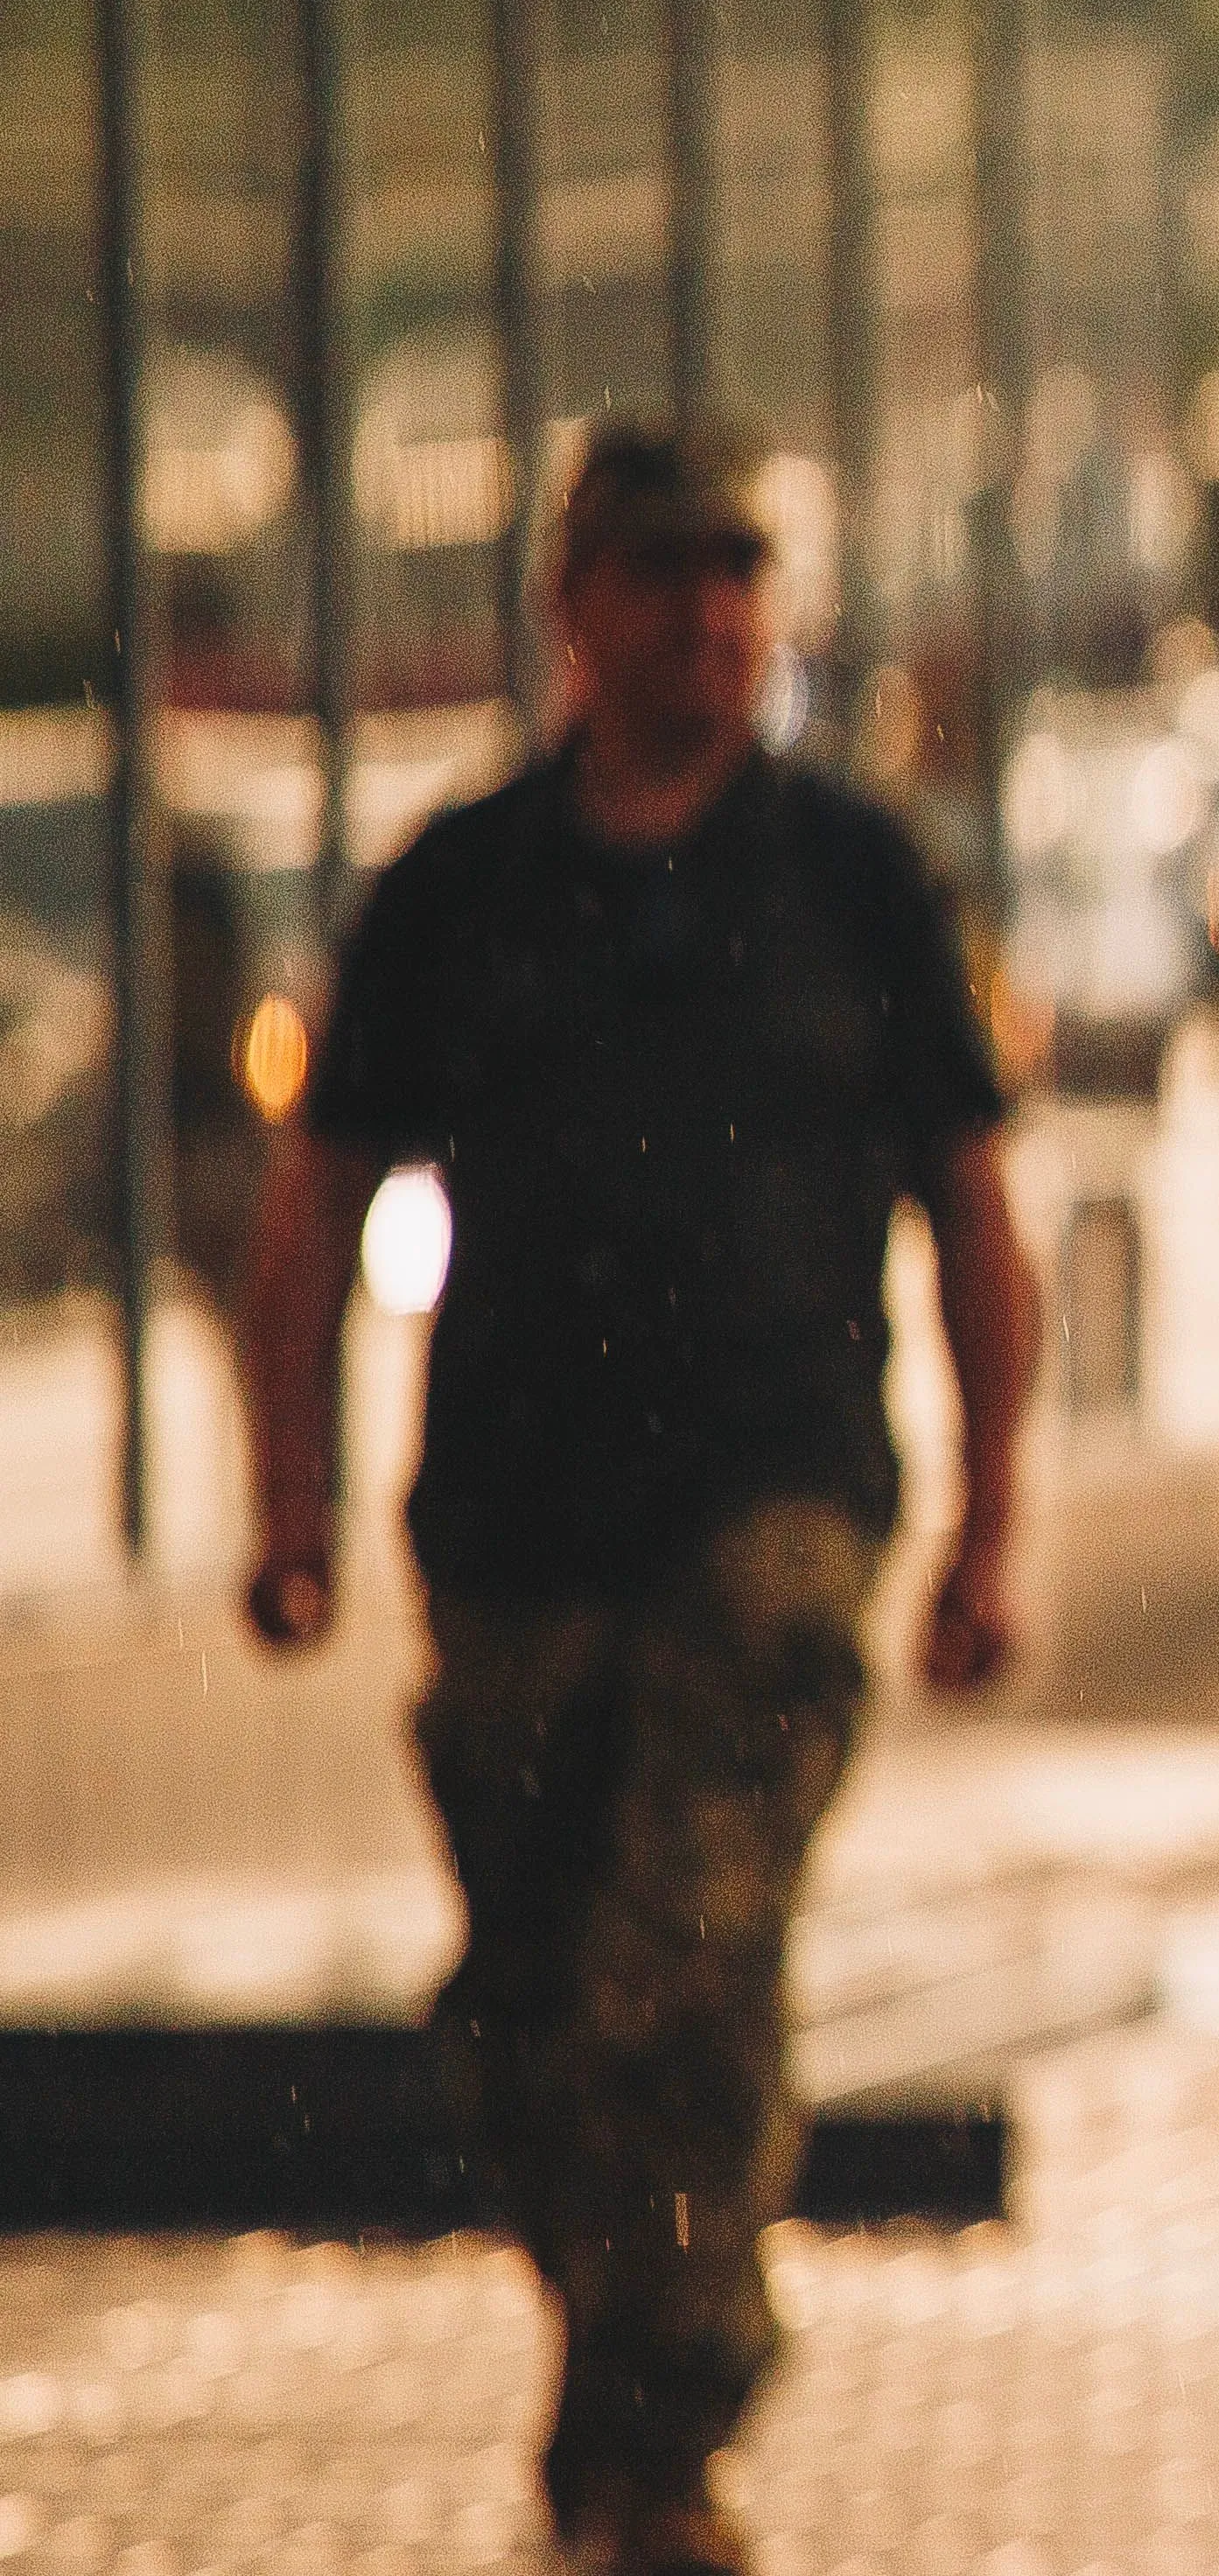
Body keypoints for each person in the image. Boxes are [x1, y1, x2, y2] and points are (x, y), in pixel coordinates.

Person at [227, 419, 1037, 2576]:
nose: (710, 619)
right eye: (666, 576)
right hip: (511, 1530)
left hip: (773, 1510)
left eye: (741, 576)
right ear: (570, 607)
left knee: (682, 1964)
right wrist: (287, 1505)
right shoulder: (463, 885)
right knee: (528, 2011)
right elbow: (311, 1215)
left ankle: (660, 2460)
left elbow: (974, 1213)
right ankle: (620, 2394)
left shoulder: (856, 876)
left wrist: (990, 1526)